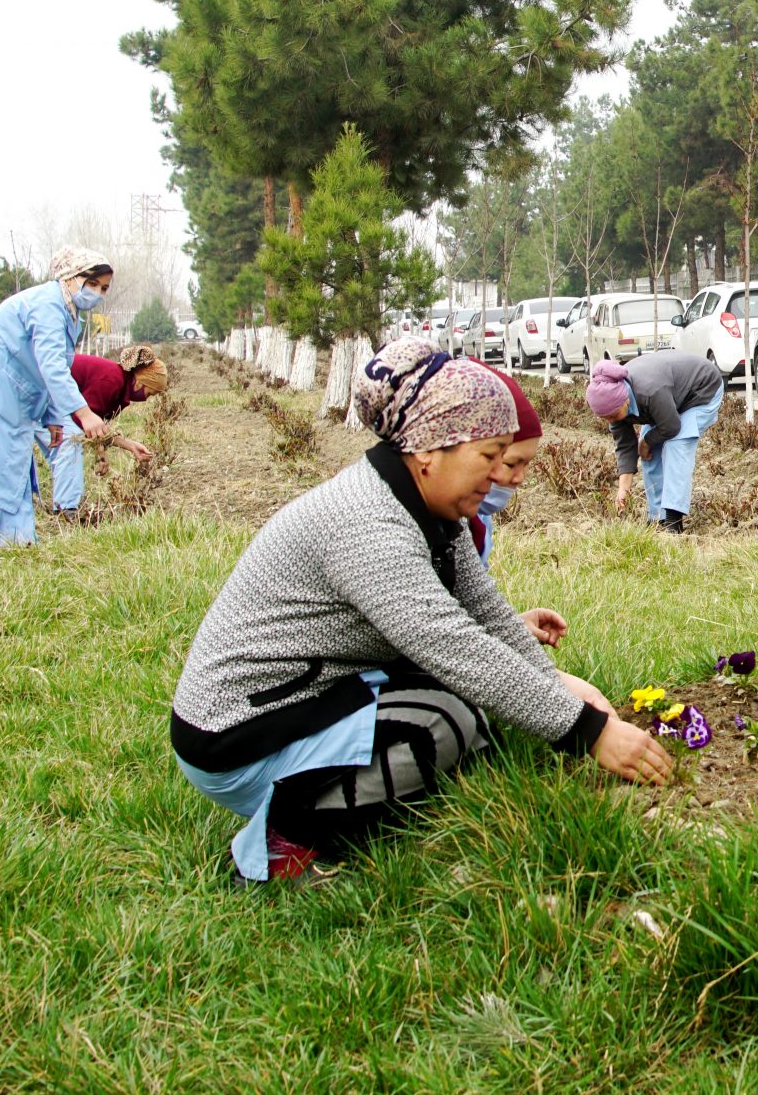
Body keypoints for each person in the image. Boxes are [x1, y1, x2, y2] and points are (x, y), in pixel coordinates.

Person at [171, 337, 671, 885]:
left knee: (472, 706)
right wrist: (589, 732)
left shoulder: (427, 507)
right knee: (442, 722)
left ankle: (345, 799)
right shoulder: (365, 524)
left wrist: (552, 682)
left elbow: (484, 612)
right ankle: (281, 842)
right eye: (487, 456)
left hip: (306, 696)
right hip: (239, 736)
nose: (499, 475)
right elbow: (453, 644)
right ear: (430, 450)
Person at [0, 246, 115, 544]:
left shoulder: (69, 313)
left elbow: (51, 370)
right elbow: (52, 368)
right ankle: (19, 546)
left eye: (103, 288)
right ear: (69, 277)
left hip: (11, 392)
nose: (96, 293)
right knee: (6, 469)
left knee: (12, 466)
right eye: (91, 283)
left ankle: (20, 543)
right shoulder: (47, 305)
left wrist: (54, 418)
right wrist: (83, 414)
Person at [584, 351, 725, 534]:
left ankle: (673, 521)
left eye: (612, 415)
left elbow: (671, 426)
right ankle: (657, 517)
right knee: (649, 454)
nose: (610, 420)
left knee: (677, 445)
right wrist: (623, 490)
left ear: (624, 400)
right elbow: (626, 447)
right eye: (604, 418)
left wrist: (647, 441)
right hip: (669, 398)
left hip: (701, 390)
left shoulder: (649, 391)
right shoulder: (613, 407)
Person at [39, 345, 171, 515]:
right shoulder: (112, 380)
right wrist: (116, 449)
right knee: (70, 442)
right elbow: (83, 421)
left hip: (51, 398)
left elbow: (97, 426)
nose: (147, 399)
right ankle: (66, 510)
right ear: (140, 382)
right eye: (150, 392)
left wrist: (115, 451)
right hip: (45, 393)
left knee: (61, 449)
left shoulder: (120, 389)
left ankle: (59, 505)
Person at [469, 362, 541, 565]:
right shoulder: (392, 528)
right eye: (510, 464)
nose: (520, 478)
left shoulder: (477, 521)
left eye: (527, 464)